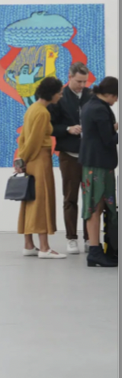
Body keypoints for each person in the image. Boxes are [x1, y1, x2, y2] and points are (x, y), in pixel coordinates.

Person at [16, 76, 66, 259]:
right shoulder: (43, 113)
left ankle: (29, 244)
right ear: (52, 94)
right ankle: (44, 247)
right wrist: (24, 159)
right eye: (59, 93)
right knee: (42, 199)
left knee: (30, 199)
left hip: (30, 159)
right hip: (39, 158)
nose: (60, 96)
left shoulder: (31, 109)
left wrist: (21, 159)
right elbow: (35, 140)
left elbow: (24, 139)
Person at [48, 62, 93, 254]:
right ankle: (71, 238)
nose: (82, 85)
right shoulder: (59, 98)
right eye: (79, 81)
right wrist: (67, 129)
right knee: (70, 197)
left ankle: (90, 238)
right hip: (69, 154)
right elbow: (49, 126)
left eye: (85, 81)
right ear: (70, 77)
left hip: (90, 154)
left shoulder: (91, 96)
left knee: (90, 197)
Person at [79, 76, 119, 268]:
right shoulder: (99, 109)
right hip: (98, 165)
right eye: (116, 97)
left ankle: (101, 249)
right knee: (95, 206)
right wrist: (115, 132)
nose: (116, 101)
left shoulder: (91, 105)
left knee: (98, 204)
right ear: (110, 94)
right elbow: (107, 139)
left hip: (96, 164)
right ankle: (95, 250)